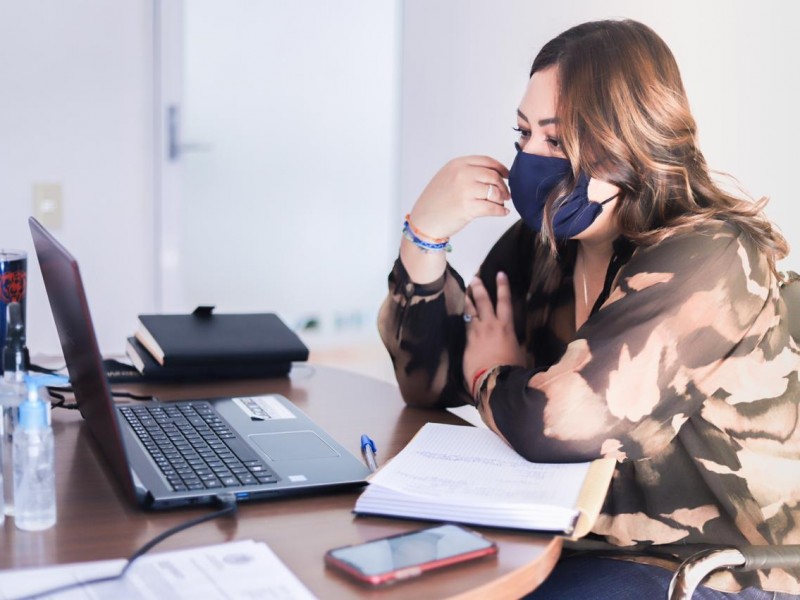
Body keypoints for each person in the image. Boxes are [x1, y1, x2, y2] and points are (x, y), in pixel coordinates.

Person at [378, 18, 800, 599]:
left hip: (711, 572)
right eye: (522, 133)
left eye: (556, 140)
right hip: (580, 544)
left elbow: (560, 422)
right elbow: (429, 377)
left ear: (632, 138)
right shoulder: (546, 245)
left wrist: (486, 374)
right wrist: (424, 237)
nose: (529, 157)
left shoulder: (713, 255)